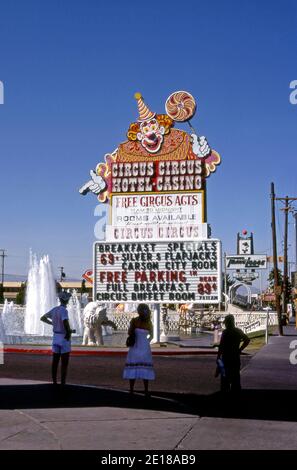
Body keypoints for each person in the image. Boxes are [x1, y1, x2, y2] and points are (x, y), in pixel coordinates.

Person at [40, 291, 74, 386]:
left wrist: (52, 323)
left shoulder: (54, 310)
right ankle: (63, 382)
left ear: (59, 299)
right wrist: (68, 333)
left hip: (55, 337)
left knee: (55, 362)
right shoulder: (64, 310)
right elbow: (65, 322)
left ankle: (54, 381)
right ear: (66, 301)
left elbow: (42, 318)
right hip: (63, 337)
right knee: (64, 362)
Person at [123, 304, 155, 397]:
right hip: (144, 347)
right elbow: (151, 335)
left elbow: (129, 332)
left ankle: (131, 389)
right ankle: (146, 390)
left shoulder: (134, 321)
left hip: (135, 347)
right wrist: (146, 340)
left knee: (133, 366)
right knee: (145, 367)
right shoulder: (149, 322)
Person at [217, 314, 250, 393]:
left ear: (228, 323)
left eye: (226, 323)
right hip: (235, 357)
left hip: (226, 358)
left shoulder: (225, 332)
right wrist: (240, 350)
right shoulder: (238, 331)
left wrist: (218, 358)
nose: (225, 324)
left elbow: (221, 346)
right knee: (236, 379)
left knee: (225, 381)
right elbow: (247, 340)